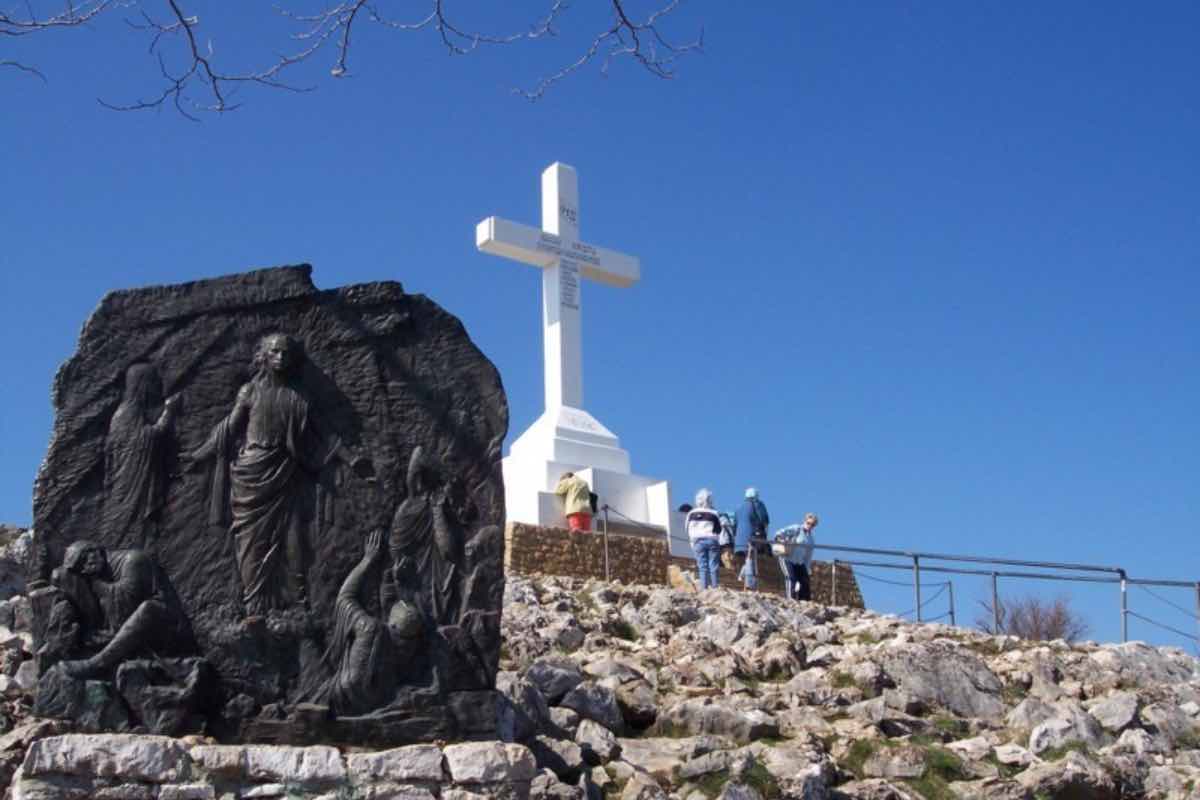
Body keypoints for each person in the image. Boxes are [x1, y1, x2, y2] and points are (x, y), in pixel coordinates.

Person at [192, 333, 370, 616]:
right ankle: (253, 605)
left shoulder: (299, 397)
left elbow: (324, 433)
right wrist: (199, 454)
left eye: (286, 353)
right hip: (251, 474)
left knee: (292, 536)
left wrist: (351, 460)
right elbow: (228, 429)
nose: (280, 358)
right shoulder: (249, 391)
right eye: (274, 352)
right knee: (249, 540)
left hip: (285, 473)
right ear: (263, 356)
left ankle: (298, 601)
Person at [45, 541, 194, 679]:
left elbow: (127, 603)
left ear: (95, 552)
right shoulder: (100, 576)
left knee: (148, 608)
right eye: (79, 569)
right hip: (127, 630)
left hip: (164, 630)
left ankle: (97, 663)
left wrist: (95, 583)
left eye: (82, 563)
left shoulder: (133, 560)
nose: (83, 572)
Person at [321, 529, 422, 716]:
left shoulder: (370, 629)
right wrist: (400, 584)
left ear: (391, 624)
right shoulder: (407, 651)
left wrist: (367, 560)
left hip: (337, 700)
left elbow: (345, 597)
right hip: (373, 704)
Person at [101, 363, 181, 549]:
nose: (157, 387)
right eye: (154, 382)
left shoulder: (135, 411)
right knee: (129, 532)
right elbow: (144, 441)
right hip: (130, 486)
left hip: (137, 482)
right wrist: (169, 412)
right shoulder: (126, 413)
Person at [773, 513, 818, 601]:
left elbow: (808, 556)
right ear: (804, 521)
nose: (810, 526)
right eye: (808, 523)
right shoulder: (796, 528)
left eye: (812, 525)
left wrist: (807, 569)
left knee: (804, 582)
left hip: (799, 562)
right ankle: (791, 599)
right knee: (791, 578)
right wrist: (781, 539)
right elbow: (779, 533)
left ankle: (804, 601)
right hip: (787, 558)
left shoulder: (811, 539)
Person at [684, 489, 722, 590]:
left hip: (697, 541)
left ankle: (704, 588)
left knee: (702, 566)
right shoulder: (714, 513)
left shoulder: (691, 513)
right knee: (713, 565)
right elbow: (719, 529)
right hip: (711, 540)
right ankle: (715, 587)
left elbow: (687, 528)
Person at [733, 487, 770, 589]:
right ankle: (749, 583)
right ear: (756, 495)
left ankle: (742, 577)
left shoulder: (738, 507)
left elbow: (734, 525)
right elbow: (765, 520)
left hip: (739, 540)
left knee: (747, 558)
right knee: (751, 559)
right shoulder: (757, 504)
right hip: (753, 537)